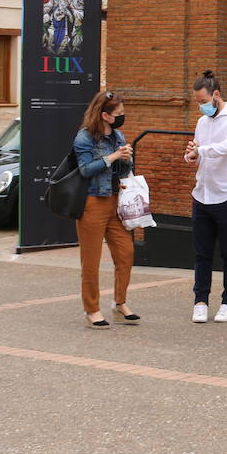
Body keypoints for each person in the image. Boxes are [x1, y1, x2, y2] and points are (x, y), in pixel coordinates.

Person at [182, 70, 227, 323]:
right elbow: (197, 152)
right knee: (202, 253)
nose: (200, 106)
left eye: (202, 101)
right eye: (198, 102)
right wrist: (191, 155)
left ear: (216, 95)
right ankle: (200, 301)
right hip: (202, 194)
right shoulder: (202, 122)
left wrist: (202, 150)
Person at [72, 89, 139, 329]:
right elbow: (85, 170)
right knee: (91, 261)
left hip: (115, 202)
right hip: (92, 203)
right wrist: (112, 157)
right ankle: (92, 310)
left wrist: (126, 160)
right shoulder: (85, 137)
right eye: (118, 113)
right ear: (104, 115)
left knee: (126, 253)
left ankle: (120, 303)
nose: (122, 116)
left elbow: (122, 172)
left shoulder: (118, 136)